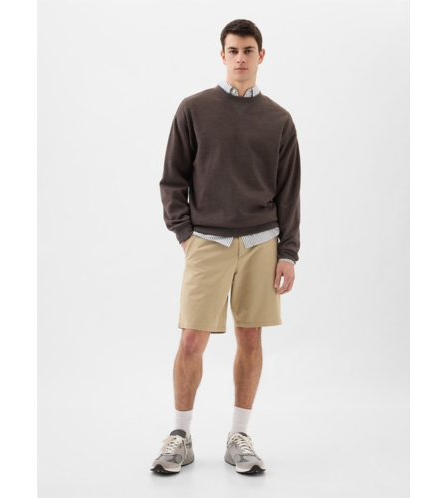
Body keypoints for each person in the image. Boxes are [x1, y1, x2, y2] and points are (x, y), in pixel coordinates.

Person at [152, 19, 301, 475]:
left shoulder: (279, 119)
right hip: (207, 241)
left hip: (262, 242)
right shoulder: (194, 109)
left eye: (248, 50)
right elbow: (172, 179)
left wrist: (288, 253)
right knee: (191, 339)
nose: (240, 58)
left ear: (261, 56)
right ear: (222, 56)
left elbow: (289, 192)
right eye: (233, 50)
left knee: (250, 337)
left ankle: (239, 436)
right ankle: (180, 435)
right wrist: (185, 235)